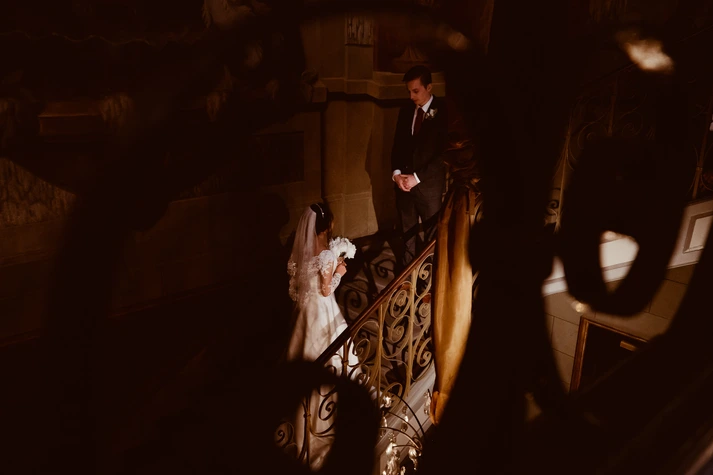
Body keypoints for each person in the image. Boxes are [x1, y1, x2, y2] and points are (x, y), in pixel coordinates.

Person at [285, 202, 358, 470]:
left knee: (305, 350)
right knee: (331, 355)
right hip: (323, 309)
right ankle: (326, 417)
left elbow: (299, 287)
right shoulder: (326, 255)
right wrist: (339, 272)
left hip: (305, 311)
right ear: (326, 227)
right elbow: (327, 290)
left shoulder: (301, 253)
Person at [391, 65, 448, 267]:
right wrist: (397, 174)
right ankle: (406, 280)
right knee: (407, 235)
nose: (411, 96)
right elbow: (397, 146)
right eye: (409, 91)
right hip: (404, 186)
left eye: (415, 91)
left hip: (428, 187)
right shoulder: (406, 111)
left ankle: (431, 278)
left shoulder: (444, 112)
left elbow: (444, 154)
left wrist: (417, 177)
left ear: (429, 87)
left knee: (433, 237)